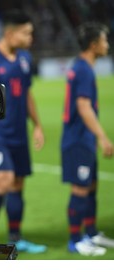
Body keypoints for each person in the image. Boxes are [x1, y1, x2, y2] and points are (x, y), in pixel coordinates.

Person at [0, 10, 46, 254]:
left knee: (17, 184)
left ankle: (16, 236)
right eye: (26, 33)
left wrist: (37, 125)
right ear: (11, 33)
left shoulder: (24, 58)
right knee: (2, 181)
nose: (30, 37)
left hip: (19, 133)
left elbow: (27, 94)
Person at [61, 22, 114, 256]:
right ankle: (75, 240)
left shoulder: (83, 66)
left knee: (91, 186)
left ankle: (91, 233)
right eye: (104, 40)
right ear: (94, 45)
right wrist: (103, 137)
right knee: (80, 189)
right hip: (77, 140)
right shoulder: (83, 69)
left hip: (83, 139)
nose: (107, 44)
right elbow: (83, 106)